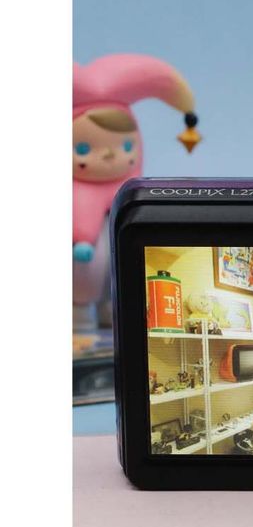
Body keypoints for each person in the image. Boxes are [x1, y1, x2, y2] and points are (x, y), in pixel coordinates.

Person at [73, 53, 201, 330]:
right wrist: (81, 236)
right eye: (83, 149)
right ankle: (80, 315)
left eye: (126, 147)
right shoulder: (77, 193)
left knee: (115, 276)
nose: (109, 156)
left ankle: (112, 311)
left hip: (117, 262)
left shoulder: (133, 189)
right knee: (86, 273)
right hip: (83, 258)